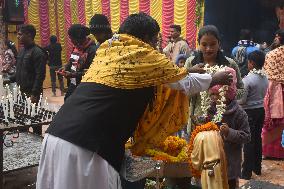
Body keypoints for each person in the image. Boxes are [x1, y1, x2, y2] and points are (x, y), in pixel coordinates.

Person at [36, 13, 233, 189]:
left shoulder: (111, 51)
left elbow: (155, 77)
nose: (157, 47)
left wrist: (186, 70)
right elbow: (182, 84)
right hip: (89, 148)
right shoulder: (142, 53)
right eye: (155, 40)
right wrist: (215, 79)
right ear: (145, 39)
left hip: (57, 137)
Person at [185, 25, 244, 132]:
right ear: (199, 44)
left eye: (213, 44)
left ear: (219, 44)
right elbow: (183, 91)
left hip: (224, 120)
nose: (208, 49)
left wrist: (228, 93)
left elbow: (242, 91)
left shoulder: (230, 64)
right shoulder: (191, 63)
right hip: (198, 120)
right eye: (204, 44)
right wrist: (207, 84)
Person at [208, 67, 250, 189]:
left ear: (228, 94)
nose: (214, 98)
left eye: (218, 94)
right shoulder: (210, 110)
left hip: (230, 163)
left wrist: (229, 132)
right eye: (212, 94)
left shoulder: (239, 113)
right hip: (213, 161)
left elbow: (246, 136)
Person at [10, 24, 47, 135]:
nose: (17, 36)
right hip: (21, 92)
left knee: (35, 122)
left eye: (20, 34)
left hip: (32, 93)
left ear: (29, 35)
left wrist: (35, 93)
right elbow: (21, 71)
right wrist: (9, 79)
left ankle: (36, 149)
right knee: (22, 123)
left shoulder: (38, 52)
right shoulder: (21, 51)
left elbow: (40, 75)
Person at [238, 50, 268, 179]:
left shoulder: (248, 80)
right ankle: (257, 167)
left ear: (251, 63)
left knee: (248, 142)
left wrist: (234, 100)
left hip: (249, 112)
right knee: (257, 139)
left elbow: (243, 100)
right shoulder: (264, 77)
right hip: (261, 110)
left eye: (248, 61)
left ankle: (246, 173)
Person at [58, 24, 97, 101]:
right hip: (73, 84)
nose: (71, 41)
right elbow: (71, 61)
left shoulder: (92, 50)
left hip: (85, 87)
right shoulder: (76, 48)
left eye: (72, 38)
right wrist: (65, 67)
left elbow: (91, 72)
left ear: (79, 37)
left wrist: (72, 74)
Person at [262, 31, 284, 159]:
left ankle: (269, 152)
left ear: (279, 38)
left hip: (275, 90)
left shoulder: (271, 55)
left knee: (273, 122)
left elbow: (267, 75)